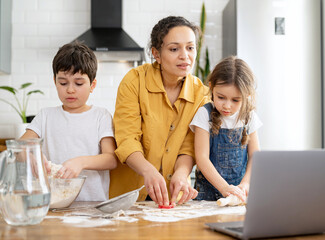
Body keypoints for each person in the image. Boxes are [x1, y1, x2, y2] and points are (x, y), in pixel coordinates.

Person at [109, 16, 209, 207]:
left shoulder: (201, 94)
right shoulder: (134, 81)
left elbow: (189, 146)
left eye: (190, 47)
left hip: (173, 197)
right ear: (156, 53)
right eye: (174, 49)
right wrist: (148, 171)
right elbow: (127, 138)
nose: (184, 55)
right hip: (130, 197)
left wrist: (181, 174)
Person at [20, 41, 118, 201]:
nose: (70, 89)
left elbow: (112, 159)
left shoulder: (101, 116)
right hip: (53, 205)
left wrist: (81, 162)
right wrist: (30, 156)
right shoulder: (46, 116)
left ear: (92, 85)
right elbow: (20, 147)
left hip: (92, 206)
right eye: (63, 83)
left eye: (79, 83)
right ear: (54, 81)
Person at [189, 56, 262, 202]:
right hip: (207, 196)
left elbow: (255, 156)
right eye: (221, 97)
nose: (227, 106)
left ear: (246, 96)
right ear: (211, 87)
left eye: (235, 100)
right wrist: (224, 188)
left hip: (239, 195)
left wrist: (246, 183)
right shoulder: (204, 114)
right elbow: (202, 158)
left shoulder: (248, 116)